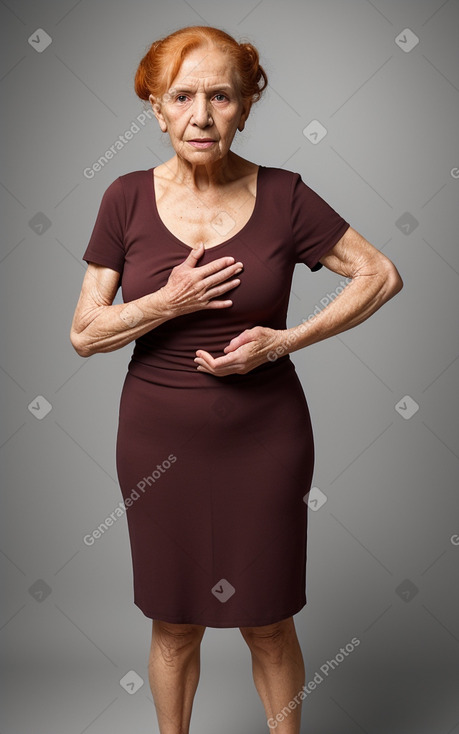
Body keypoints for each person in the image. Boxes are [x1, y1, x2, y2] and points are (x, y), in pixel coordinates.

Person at [70, 25, 403, 734]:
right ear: (155, 108)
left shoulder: (284, 195)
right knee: (173, 623)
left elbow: (380, 274)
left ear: (246, 106)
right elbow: (83, 334)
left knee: (268, 622)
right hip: (156, 443)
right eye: (181, 96)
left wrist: (285, 342)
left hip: (265, 437)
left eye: (220, 96)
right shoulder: (125, 198)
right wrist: (168, 301)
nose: (200, 115)